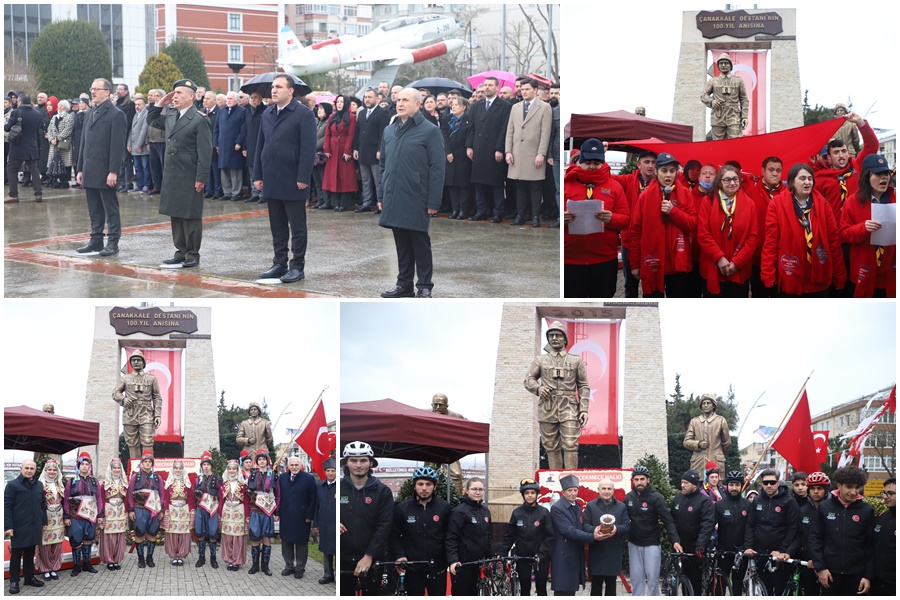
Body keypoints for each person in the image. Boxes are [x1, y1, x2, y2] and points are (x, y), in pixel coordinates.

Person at [377, 88, 445, 299]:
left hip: (417, 195)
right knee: (401, 243)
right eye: (398, 100)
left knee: (419, 241)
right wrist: (381, 195)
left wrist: (434, 201)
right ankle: (403, 284)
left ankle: (424, 286)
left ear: (418, 104)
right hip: (394, 194)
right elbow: (383, 165)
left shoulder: (430, 131)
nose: (400, 103)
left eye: (405, 100)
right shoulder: (389, 130)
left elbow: (437, 168)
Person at [253, 73, 317, 284]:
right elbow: (260, 146)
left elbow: (308, 149)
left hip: (293, 179)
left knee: (297, 226)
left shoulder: (303, 114)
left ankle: (297, 266)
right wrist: (258, 175)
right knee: (277, 225)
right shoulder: (268, 113)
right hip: (272, 177)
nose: (274, 90)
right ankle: (279, 262)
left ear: (290, 91)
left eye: (279, 87)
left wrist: (303, 177)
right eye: (273, 87)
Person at [761, 163, 847, 296]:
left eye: (810, 178)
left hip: (819, 276)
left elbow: (833, 242)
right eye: (802, 178)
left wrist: (839, 275)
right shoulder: (777, 204)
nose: (807, 182)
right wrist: (768, 274)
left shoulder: (823, 204)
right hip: (790, 274)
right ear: (792, 182)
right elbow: (771, 243)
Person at [563, 138, 630, 298]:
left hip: (604, 260)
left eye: (597, 162)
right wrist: (562, 218)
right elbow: (551, 216)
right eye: (588, 162)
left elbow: (626, 219)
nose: (592, 166)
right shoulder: (567, 184)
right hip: (570, 260)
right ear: (580, 162)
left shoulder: (614, 186)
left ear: (603, 162)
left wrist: (611, 218)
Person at [629, 151, 697, 297]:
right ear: (656, 171)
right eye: (664, 170)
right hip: (653, 262)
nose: (668, 175)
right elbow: (635, 231)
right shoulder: (645, 196)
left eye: (672, 171)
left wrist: (673, 212)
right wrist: (634, 264)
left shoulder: (685, 193)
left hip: (677, 264)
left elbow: (692, 224)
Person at [524, 320, 590, 469]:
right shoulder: (541, 359)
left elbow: (583, 386)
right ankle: (555, 479)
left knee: (571, 443)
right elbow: (529, 379)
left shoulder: (576, 360)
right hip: (547, 406)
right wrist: (538, 389)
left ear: (564, 339)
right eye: (551, 335)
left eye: (558, 335)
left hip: (569, 407)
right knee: (550, 445)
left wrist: (584, 409)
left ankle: (571, 482)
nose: (554, 338)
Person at [76, 78, 127, 256]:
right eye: (92, 89)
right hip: (90, 169)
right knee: (94, 207)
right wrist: (80, 168)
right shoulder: (90, 113)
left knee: (110, 207)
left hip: (106, 170)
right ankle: (96, 240)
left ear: (107, 92)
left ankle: (113, 242)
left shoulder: (116, 114)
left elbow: (117, 146)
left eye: (97, 89)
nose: (93, 92)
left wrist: (113, 171)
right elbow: (84, 143)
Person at [809, 466, 874, 596]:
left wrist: (868, 576)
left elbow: (871, 545)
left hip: (857, 575)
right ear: (839, 485)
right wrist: (821, 568)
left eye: (857, 487)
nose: (854, 492)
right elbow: (815, 538)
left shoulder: (867, 510)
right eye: (849, 487)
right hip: (830, 574)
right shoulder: (824, 507)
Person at [340, 441, 394, 596]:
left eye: (363, 460)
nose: (358, 465)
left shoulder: (383, 492)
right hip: (344, 558)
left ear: (371, 463)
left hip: (372, 559)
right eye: (353, 460)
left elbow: (384, 526)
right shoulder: (339, 487)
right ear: (346, 463)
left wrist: (369, 556)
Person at [696, 164, 758, 297]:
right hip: (713, 265)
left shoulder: (749, 204)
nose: (732, 183)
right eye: (727, 180)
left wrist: (737, 262)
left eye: (735, 179)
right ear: (719, 182)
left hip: (739, 268)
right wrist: (719, 258)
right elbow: (703, 234)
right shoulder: (708, 202)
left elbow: (752, 238)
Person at [390, 466, 452, 596]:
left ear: (434, 486)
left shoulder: (444, 508)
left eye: (428, 484)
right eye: (420, 484)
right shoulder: (402, 508)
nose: (424, 488)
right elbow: (394, 535)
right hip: (412, 567)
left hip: (437, 567)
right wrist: (399, 555)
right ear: (414, 486)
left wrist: (450, 559)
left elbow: (450, 535)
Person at [840, 153, 896, 297]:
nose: (884, 177)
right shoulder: (852, 202)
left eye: (886, 173)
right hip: (863, 272)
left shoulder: (896, 200)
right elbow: (843, 234)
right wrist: (862, 228)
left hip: (891, 274)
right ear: (866, 176)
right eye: (878, 174)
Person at [743, 469, 800, 595]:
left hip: (780, 556)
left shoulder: (789, 501)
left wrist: (782, 550)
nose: (769, 485)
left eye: (772, 482)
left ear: (778, 483)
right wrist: (748, 547)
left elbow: (793, 529)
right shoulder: (757, 500)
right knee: (763, 591)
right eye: (765, 482)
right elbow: (750, 525)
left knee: (781, 590)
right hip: (760, 554)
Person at [505, 78, 552, 227]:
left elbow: (545, 132)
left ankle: (535, 216)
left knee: (535, 187)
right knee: (519, 186)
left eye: (527, 89)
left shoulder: (544, 107)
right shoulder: (516, 107)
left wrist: (541, 153)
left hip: (534, 153)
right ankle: (520, 215)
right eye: (522, 89)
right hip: (517, 153)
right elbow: (510, 131)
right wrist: (508, 151)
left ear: (535, 90)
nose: (523, 92)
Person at [625, 465, 679, 595]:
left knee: (653, 580)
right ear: (633, 480)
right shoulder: (629, 497)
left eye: (642, 479)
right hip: (634, 544)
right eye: (636, 479)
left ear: (648, 480)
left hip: (651, 544)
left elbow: (668, 520)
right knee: (636, 579)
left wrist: (675, 540)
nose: (639, 482)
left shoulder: (656, 497)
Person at [816, 112, 879, 220]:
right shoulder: (820, 178)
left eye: (843, 151)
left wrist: (861, 123)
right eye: (836, 152)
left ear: (848, 153)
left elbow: (872, 146)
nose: (841, 156)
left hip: (860, 227)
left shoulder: (858, 165)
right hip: (835, 230)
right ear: (829, 158)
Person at [466, 76, 512, 222]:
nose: (487, 87)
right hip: (478, 149)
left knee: (496, 183)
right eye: (485, 85)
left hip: (494, 149)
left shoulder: (504, 106)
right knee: (478, 183)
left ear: (497, 87)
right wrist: (469, 146)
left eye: (490, 85)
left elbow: (504, 129)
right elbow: (471, 128)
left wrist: (500, 148)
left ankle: (498, 212)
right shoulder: (476, 106)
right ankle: (481, 211)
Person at [497, 478, 553, 596]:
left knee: (541, 586)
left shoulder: (544, 512)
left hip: (540, 557)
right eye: (527, 493)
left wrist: (542, 554)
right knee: (525, 586)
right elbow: (510, 535)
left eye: (532, 493)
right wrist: (502, 552)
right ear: (523, 495)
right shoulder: (517, 513)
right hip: (523, 556)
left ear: (537, 494)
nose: (530, 496)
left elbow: (549, 536)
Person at [613, 150, 656, 297]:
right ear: (639, 164)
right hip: (629, 241)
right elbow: (606, 177)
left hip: (652, 242)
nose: (651, 166)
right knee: (630, 284)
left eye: (654, 162)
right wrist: (600, 154)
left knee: (652, 285)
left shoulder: (661, 183)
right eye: (647, 162)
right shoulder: (628, 180)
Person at [548, 474, 596, 595]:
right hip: (563, 556)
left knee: (571, 591)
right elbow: (568, 531)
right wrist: (593, 536)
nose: (573, 493)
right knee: (562, 591)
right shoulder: (557, 508)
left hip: (574, 554)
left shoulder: (577, 507)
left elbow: (581, 527)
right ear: (563, 492)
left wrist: (596, 530)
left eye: (575, 490)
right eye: (570, 490)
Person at [5, 460, 47, 594]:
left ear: (35, 470)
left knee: (30, 553)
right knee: (16, 555)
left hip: (34, 525)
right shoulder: (12, 485)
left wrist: (44, 522)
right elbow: (6, 507)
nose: (29, 470)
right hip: (19, 526)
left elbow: (42, 505)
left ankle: (29, 578)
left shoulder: (39, 485)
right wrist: (8, 526)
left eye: (32, 468)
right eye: (26, 468)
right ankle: (14, 581)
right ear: (21, 468)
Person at [583, 478, 630, 596]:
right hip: (596, 551)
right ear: (598, 490)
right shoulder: (591, 506)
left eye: (609, 488)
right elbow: (585, 525)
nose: (606, 491)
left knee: (611, 588)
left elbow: (627, 526)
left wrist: (616, 529)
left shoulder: (621, 506)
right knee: (595, 588)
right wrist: (595, 530)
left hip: (613, 551)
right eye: (604, 488)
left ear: (614, 490)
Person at [671, 470, 715, 594]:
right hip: (679, 545)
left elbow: (707, 524)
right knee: (681, 580)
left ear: (695, 485)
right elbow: (671, 520)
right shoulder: (678, 497)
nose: (683, 485)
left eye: (686, 483)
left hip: (695, 548)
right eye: (682, 482)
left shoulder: (704, 501)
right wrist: (674, 539)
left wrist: (700, 545)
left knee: (694, 582)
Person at [112, 349, 162, 459]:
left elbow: (157, 397)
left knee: (148, 440)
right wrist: (123, 399)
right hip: (130, 412)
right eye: (133, 360)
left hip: (146, 413)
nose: (135, 362)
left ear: (143, 363)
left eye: (138, 360)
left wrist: (157, 414)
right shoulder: (125, 378)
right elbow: (115, 393)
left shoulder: (151, 378)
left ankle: (148, 470)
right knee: (132, 442)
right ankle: (136, 469)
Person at [447, 477, 492, 596]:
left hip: (479, 563)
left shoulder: (485, 511)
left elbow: (488, 535)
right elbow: (451, 537)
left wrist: (489, 557)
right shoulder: (459, 511)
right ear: (467, 491)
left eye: (481, 489)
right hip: (463, 563)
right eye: (474, 489)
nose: (478, 492)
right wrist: (453, 560)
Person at [64, 452, 104, 577]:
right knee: (76, 541)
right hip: (76, 516)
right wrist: (66, 516)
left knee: (88, 539)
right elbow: (66, 499)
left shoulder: (94, 481)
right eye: (83, 464)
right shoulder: (71, 481)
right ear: (78, 466)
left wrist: (100, 515)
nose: (85, 466)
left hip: (90, 515)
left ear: (90, 466)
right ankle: (76, 566)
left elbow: (99, 499)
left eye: (87, 464)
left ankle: (87, 564)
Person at [748, 156, 784, 297]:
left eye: (778, 170)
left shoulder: (789, 193)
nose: (775, 173)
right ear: (763, 171)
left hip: (782, 259)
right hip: (758, 258)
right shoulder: (751, 193)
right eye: (771, 170)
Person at [276, 455, 316, 579]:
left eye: (296, 465)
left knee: (301, 543)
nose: (294, 467)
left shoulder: (308, 478)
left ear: (301, 466)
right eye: (292, 465)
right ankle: (289, 566)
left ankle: (300, 568)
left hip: (302, 516)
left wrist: (310, 515)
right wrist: (277, 512)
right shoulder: (282, 477)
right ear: (288, 466)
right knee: (286, 541)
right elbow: (278, 496)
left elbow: (313, 498)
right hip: (286, 515)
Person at [353, 88, 389, 213]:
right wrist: (355, 148)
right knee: (365, 180)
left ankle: (381, 203)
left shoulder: (383, 113)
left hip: (375, 151)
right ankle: (366, 202)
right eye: (365, 97)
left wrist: (380, 150)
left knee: (378, 180)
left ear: (377, 99)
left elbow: (383, 133)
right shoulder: (362, 113)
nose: (367, 99)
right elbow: (358, 132)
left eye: (370, 97)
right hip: (363, 151)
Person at [715, 471, 751, 594]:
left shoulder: (748, 505)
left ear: (742, 486)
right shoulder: (719, 505)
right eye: (731, 485)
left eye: (737, 485)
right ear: (727, 486)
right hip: (723, 551)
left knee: (738, 585)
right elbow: (710, 526)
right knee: (720, 585)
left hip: (741, 552)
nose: (734, 488)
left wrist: (746, 546)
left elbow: (751, 528)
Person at [127, 449, 164, 568]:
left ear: (152, 464)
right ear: (141, 463)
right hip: (140, 509)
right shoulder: (135, 477)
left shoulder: (158, 477)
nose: (147, 463)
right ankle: (141, 559)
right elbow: (130, 494)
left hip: (154, 510)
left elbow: (162, 494)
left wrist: (161, 510)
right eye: (145, 461)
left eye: (149, 461)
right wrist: (131, 510)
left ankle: (150, 558)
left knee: (152, 534)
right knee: (139, 534)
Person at [4, 92, 44, 204]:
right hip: (31, 146)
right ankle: (38, 194)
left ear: (20, 101)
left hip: (17, 146)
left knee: (11, 169)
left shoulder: (16, 112)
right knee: (34, 170)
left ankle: (13, 195)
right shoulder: (37, 114)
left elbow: (7, 128)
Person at [321, 94, 358, 212]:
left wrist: (348, 151)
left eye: (341, 102)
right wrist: (326, 148)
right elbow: (327, 133)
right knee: (333, 177)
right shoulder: (332, 116)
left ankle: (343, 204)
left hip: (343, 150)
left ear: (346, 103)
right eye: (338, 102)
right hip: (332, 151)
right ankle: (335, 203)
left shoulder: (351, 117)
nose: (339, 104)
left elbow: (351, 135)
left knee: (345, 178)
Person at [700, 53, 749, 140]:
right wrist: (712, 101)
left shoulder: (738, 81)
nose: (723, 65)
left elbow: (744, 99)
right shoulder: (713, 81)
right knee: (718, 144)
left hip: (734, 115)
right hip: (718, 115)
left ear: (730, 66)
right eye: (721, 63)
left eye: (726, 63)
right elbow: (704, 95)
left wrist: (744, 116)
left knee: (735, 142)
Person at [246, 449, 278, 576]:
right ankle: (255, 566)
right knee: (255, 537)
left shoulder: (273, 474)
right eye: (259, 459)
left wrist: (277, 512)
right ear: (257, 462)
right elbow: (248, 492)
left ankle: (265, 566)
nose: (262, 461)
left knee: (266, 537)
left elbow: (278, 493)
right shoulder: (252, 475)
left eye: (264, 459)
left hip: (268, 510)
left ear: (267, 461)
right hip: (255, 509)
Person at [683, 393, 731, 476]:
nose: (705, 405)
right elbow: (686, 442)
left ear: (713, 405)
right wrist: (698, 444)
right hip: (698, 463)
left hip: (716, 462)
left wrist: (717, 452)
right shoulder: (694, 422)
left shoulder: (720, 421)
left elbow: (727, 442)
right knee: (698, 486)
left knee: (715, 485)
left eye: (708, 403)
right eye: (703, 403)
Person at [442, 95, 473, 220]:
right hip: (450, 155)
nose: (453, 107)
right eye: (452, 105)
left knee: (463, 184)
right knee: (452, 184)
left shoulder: (469, 119)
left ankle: (463, 210)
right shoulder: (447, 119)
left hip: (463, 156)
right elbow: (443, 135)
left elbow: (471, 135)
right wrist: (448, 152)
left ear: (464, 107)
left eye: (457, 105)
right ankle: (454, 209)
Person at [213, 91, 247, 202]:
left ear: (237, 100)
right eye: (227, 98)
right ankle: (226, 192)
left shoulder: (242, 111)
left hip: (234, 145)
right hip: (222, 145)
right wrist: (216, 143)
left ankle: (235, 193)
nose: (228, 100)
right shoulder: (222, 111)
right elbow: (216, 128)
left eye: (231, 99)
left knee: (235, 170)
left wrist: (239, 142)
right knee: (224, 170)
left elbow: (243, 129)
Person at [35, 459, 65, 581]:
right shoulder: (40, 484)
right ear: (45, 471)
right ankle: (45, 568)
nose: (52, 472)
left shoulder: (59, 484)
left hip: (59, 517)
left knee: (57, 543)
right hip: (46, 516)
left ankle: (54, 567)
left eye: (54, 470)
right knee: (45, 544)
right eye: (49, 470)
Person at [431, 393, 466, 493]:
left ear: (447, 406)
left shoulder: (456, 416)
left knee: (457, 475)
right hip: (430, 449)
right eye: (435, 404)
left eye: (441, 405)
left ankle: (459, 499)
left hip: (449, 449)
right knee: (427, 475)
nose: (437, 407)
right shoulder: (423, 413)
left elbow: (468, 429)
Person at [219, 459, 249, 571]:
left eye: (234, 469)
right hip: (227, 511)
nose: (232, 471)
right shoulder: (223, 485)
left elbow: (246, 501)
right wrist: (220, 514)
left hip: (239, 511)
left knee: (238, 537)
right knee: (227, 537)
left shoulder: (243, 485)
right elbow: (221, 501)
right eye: (230, 469)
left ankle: (237, 560)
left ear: (237, 470)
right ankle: (229, 559)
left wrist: (247, 516)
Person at [162, 459, 194, 566]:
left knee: (183, 533)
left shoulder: (187, 483)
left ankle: (181, 555)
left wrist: (192, 512)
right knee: (172, 533)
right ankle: (173, 555)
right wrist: (166, 511)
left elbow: (190, 499)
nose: (178, 470)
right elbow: (165, 498)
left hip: (184, 510)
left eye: (180, 468)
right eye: (176, 468)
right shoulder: (169, 483)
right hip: (172, 510)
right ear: (173, 469)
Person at [98, 457, 128, 571]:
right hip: (109, 511)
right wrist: (101, 515)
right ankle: (109, 560)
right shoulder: (105, 484)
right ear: (110, 469)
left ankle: (117, 559)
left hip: (120, 511)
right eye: (114, 468)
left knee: (119, 536)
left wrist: (126, 512)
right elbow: (101, 499)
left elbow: (127, 499)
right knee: (109, 537)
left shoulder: (125, 483)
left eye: (118, 467)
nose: (116, 470)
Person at [193, 451, 221, 568]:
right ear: (201, 466)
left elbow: (221, 494)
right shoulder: (197, 479)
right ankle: (201, 557)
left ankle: (213, 559)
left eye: (208, 464)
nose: (206, 467)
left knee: (213, 533)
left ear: (211, 466)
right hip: (200, 509)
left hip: (213, 509)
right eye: (204, 465)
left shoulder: (217, 479)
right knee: (200, 533)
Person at [314, 457, 337, 584]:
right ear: (325, 472)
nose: (330, 473)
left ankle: (339, 575)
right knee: (326, 549)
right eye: (328, 471)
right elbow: (316, 506)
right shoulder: (319, 486)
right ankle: (328, 574)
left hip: (337, 524)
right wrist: (316, 523)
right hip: (324, 523)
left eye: (333, 471)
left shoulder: (341, 486)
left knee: (338, 550)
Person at [872, 477, 896, 596]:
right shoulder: (882, 517)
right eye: (884, 493)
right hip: (877, 584)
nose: (885, 497)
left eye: (891, 493)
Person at [242, 91, 265, 203]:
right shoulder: (247, 112)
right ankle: (254, 193)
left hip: (261, 145)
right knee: (252, 171)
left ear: (260, 99)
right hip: (250, 146)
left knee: (262, 171)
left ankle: (263, 194)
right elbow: (245, 131)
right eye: (251, 98)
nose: (253, 100)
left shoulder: (265, 111)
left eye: (255, 98)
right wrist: (245, 147)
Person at [47, 99, 75, 188]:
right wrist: (51, 139)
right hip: (54, 144)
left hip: (64, 143)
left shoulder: (69, 117)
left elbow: (68, 130)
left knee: (65, 162)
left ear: (66, 108)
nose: (59, 107)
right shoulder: (54, 117)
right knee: (54, 161)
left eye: (61, 106)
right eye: (59, 105)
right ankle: (55, 179)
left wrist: (57, 138)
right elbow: (50, 129)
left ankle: (65, 181)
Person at [114, 83, 136, 192]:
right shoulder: (117, 104)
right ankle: (121, 183)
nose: (118, 91)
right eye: (117, 89)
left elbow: (128, 122)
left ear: (126, 91)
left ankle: (128, 183)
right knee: (120, 161)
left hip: (126, 136)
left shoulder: (130, 104)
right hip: (118, 136)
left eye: (120, 89)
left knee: (127, 161)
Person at [127, 95, 150, 194]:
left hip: (142, 147)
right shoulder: (136, 115)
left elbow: (144, 131)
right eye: (136, 104)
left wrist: (139, 145)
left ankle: (146, 185)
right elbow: (132, 130)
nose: (137, 106)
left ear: (145, 105)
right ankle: (139, 185)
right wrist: (129, 144)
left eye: (139, 105)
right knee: (137, 168)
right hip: (134, 147)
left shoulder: (146, 114)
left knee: (145, 167)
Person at [145, 89, 166, 195]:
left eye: (157, 96)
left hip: (162, 141)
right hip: (152, 141)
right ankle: (157, 186)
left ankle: (165, 187)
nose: (155, 97)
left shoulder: (166, 109)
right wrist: (147, 141)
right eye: (154, 95)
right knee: (154, 166)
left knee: (163, 165)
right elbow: (149, 126)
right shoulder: (153, 109)